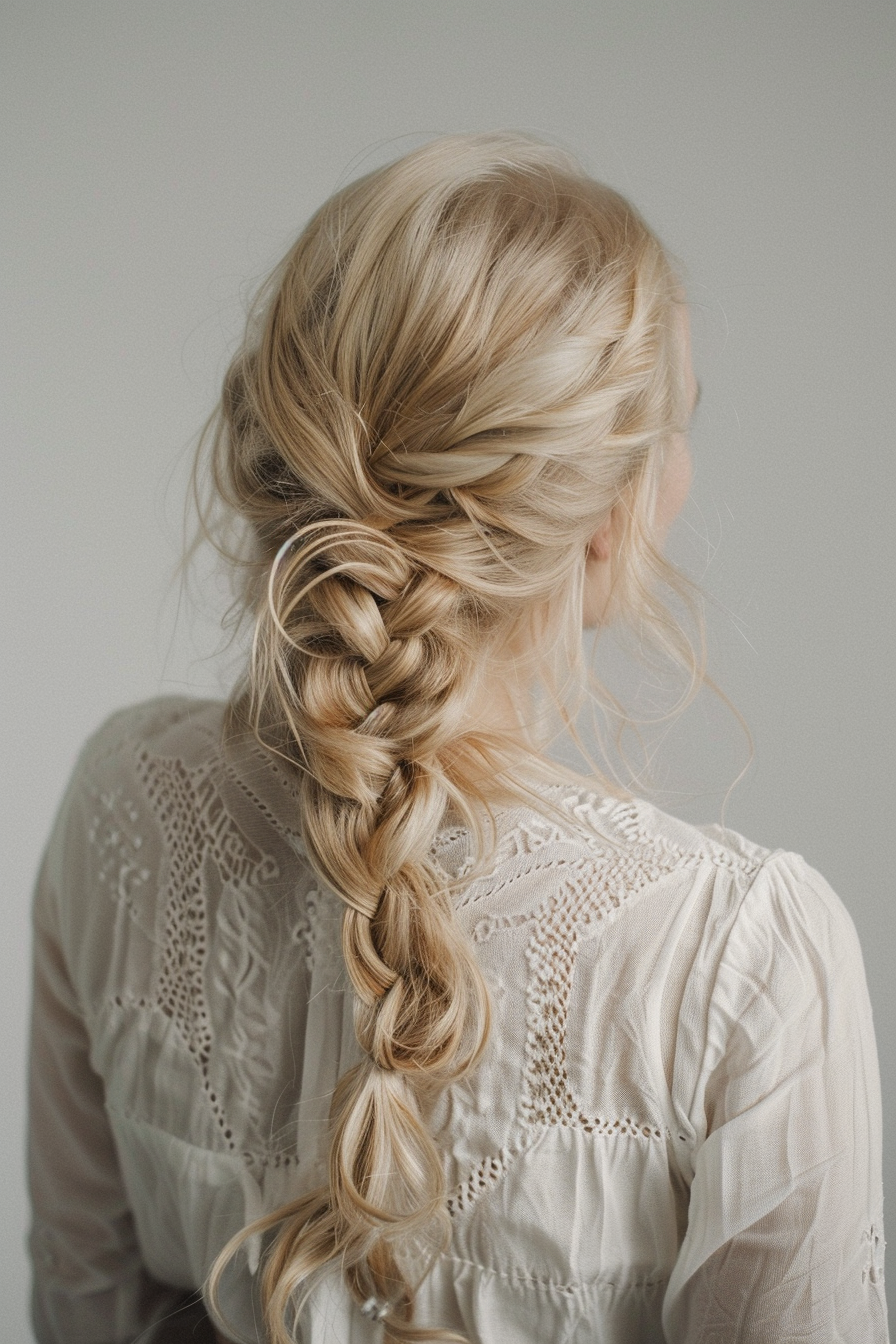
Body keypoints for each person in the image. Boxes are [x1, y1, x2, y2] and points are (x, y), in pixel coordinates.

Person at [28, 133, 887, 1344]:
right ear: (600, 511)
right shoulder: (736, 966)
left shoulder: (121, 806)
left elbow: (82, 1304)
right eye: (671, 429)